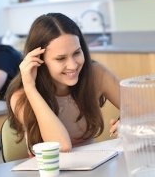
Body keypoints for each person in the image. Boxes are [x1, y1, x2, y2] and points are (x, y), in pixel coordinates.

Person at [6, 13, 120, 156]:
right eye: (61, 59)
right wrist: (30, 88)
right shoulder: (21, 96)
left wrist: (128, 123)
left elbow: (146, 112)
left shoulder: (95, 74)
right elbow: (62, 146)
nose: (73, 65)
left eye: (77, 53)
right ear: (39, 60)